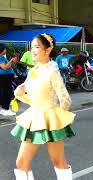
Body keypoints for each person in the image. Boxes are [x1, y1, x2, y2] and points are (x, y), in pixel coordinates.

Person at [10, 34, 76, 180]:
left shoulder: (52, 70)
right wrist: (20, 94)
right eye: (32, 46)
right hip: (33, 118)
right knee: (21, 163)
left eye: (37, 46)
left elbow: (65, 98)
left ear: (48, 49)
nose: (33, 50)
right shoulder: (33, 71)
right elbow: (34, 99)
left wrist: (59, 120)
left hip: (50, 119)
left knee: (58, 162)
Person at [0, 43, 18, 116]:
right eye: (4, 49)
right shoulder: (0, 58)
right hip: (3, 77)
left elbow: (8, 66)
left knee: (7, 92)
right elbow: (4, 67)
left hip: (6, 77)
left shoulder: (3, 57)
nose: (6, 50)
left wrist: (12, 61)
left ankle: (5, 108)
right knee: (7, 92)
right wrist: (11, 60)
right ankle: (5, 109)